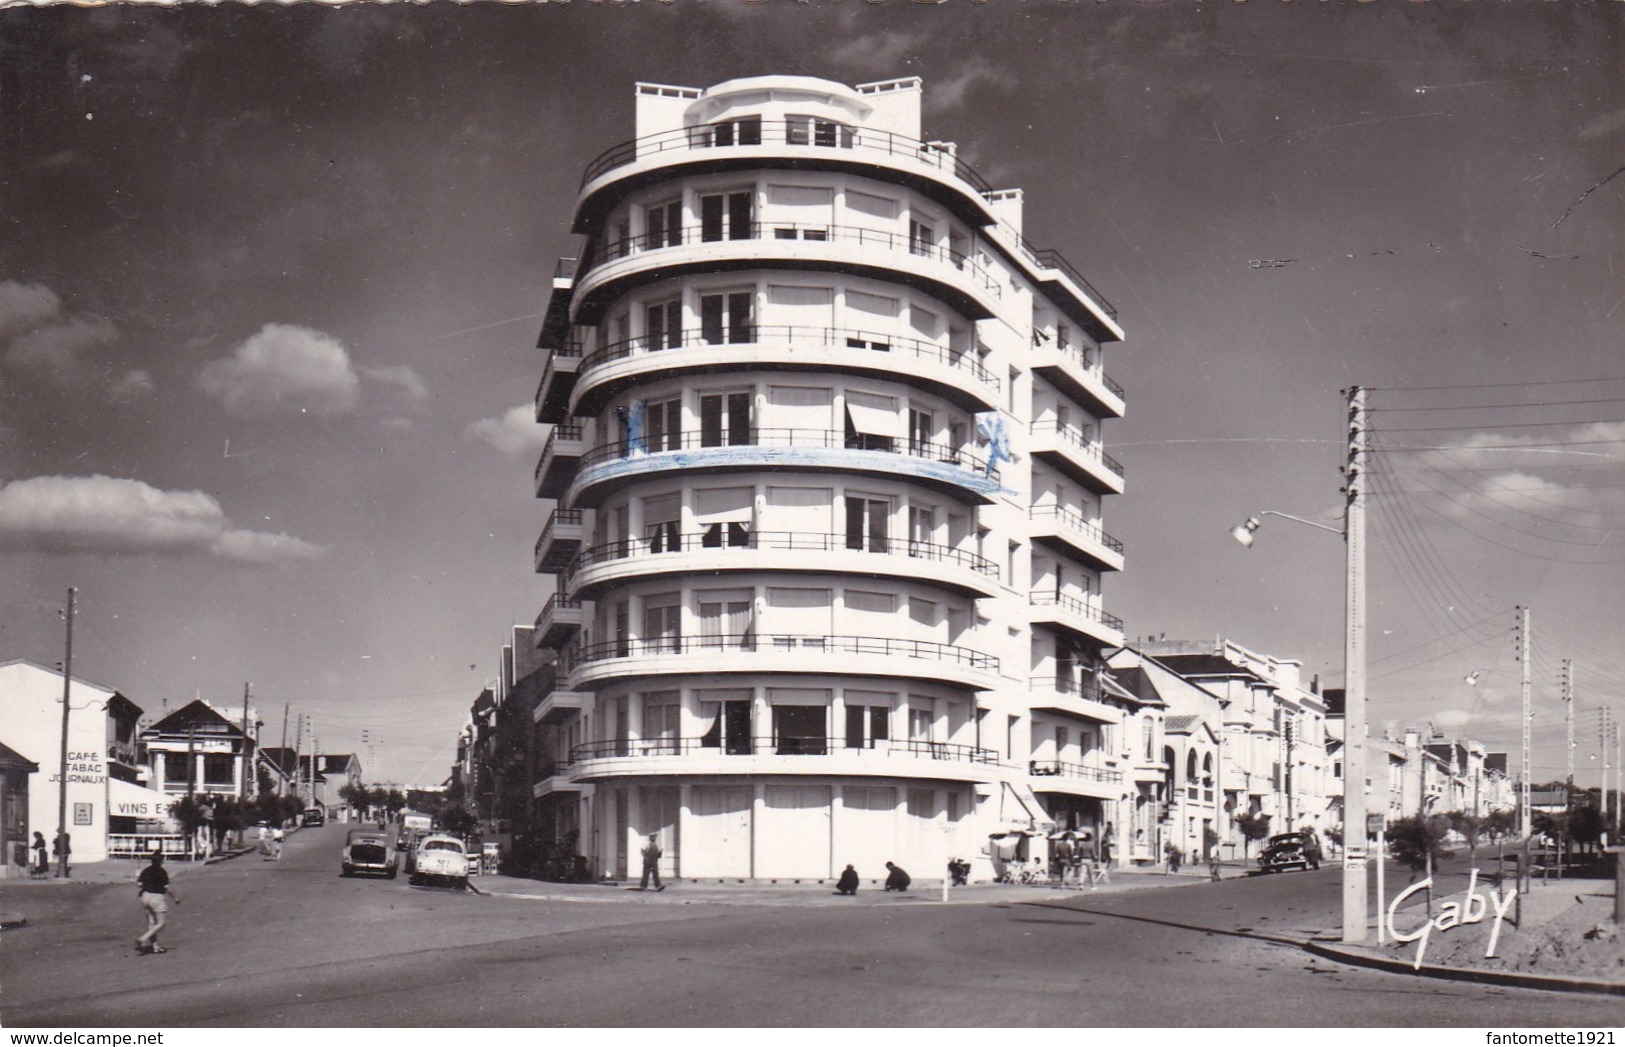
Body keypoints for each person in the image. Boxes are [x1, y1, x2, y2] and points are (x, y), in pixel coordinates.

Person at [135, 851, 180, 954]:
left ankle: (155, 947)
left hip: (145, 896)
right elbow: (167, 888)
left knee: (152, 924)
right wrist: (175, 898)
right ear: (161, 861)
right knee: (161, 923)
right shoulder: (161, 872)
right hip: (157, 898)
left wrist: (147, 886)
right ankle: (143, 938)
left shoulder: (146, 870)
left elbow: (139, 884)